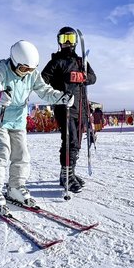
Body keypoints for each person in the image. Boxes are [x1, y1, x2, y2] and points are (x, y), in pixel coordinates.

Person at [0, 40, 74, 212]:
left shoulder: (32, 74)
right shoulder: (1, 70)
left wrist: (61, 97)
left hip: (17, 119)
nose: (26, 73)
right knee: (2, 151)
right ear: (14, 62)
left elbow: (44, 90)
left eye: (30, 69)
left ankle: (16, 187)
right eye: (23, 69)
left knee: (22, 153)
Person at [41, 26, 97, 194]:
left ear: (74, 42)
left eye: (70, 39)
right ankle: (66, 176)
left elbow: (93, 78)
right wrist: (57, 93)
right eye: (63, 38)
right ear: (58, 42)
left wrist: (84, 77)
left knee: (77, 142)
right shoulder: (55, 62)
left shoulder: (81, 62)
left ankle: (68, 172)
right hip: (64, 107)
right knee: (70, 141)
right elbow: (42, 80)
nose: (66, 42)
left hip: (80, 108)